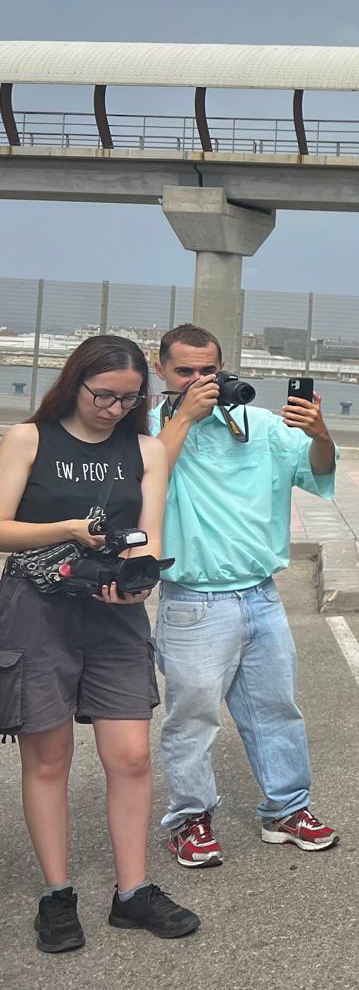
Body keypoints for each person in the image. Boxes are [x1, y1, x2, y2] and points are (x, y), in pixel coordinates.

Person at [0, 335, 200, 951]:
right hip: (39, 611)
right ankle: (58, 896)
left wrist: (139, 583)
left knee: (132, 757)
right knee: (49, 760)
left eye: (129, 399)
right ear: (75, 381)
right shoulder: (29, 439)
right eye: (103, 395)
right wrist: (65, 529)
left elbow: (149, 533)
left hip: (114, 617)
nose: (114, 409)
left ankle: (132, 893)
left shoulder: (146, 451)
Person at [152, 324, 340, 868]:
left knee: (276, 709)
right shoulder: (149, 429)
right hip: (191, 598)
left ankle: (287, 808)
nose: (198, 381)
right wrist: (184, 416)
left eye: (207, 371)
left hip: (260, 594)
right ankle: (190, 818)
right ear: (160, 368)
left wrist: (321, 432)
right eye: (184, 371)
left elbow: (317, 470)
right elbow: (144, 477)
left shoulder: (257, 424)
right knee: (192, 717)